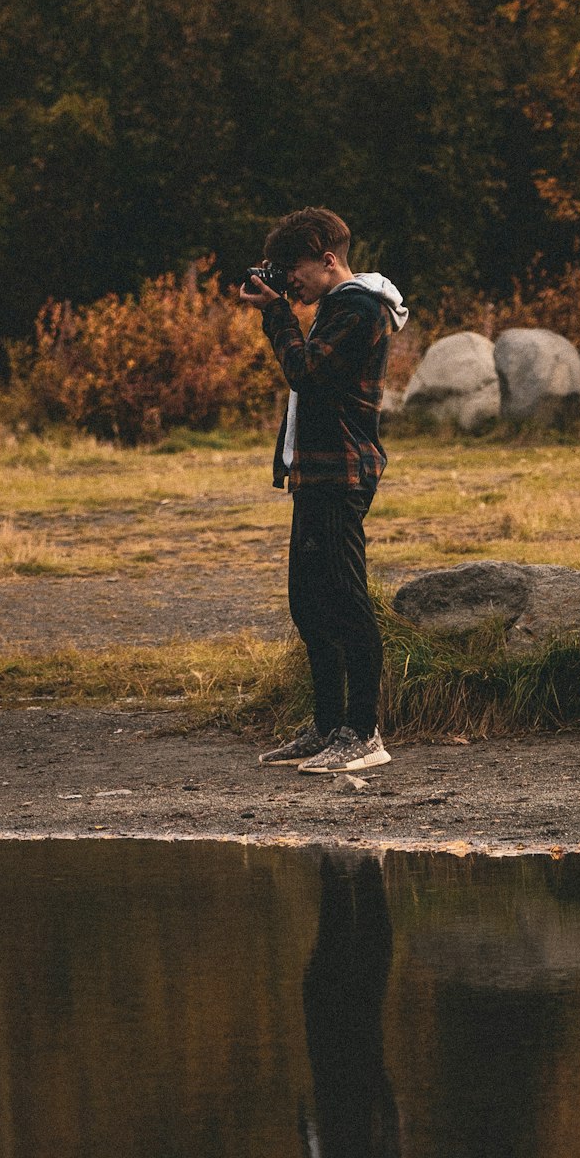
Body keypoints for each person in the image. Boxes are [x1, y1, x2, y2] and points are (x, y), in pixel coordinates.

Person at [238, 207, 408, 773]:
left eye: (297, 270)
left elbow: (307, 372)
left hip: (341, 473)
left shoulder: (359, 308)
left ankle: (364, 733)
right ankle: (328, 725)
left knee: (346, 600)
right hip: (316, 473)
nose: (293, 283)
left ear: (329, 259)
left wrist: (277, 317)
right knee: (309, 604)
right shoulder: (336, 307)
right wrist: (284, 306)